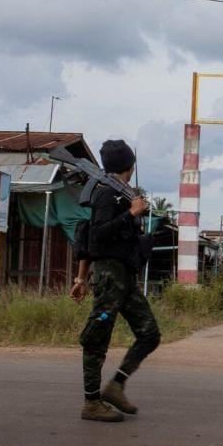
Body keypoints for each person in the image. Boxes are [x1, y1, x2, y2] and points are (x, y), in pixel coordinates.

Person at [77, 139, 159, 422]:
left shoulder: (123, 195)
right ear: (131, 166)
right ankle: (91, 402)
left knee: (150, 334)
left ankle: (115, 386)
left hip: (124, 276)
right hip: (109, 275)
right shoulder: (104, 195)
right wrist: (131, 214)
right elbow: (95, 236)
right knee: (97, 338)